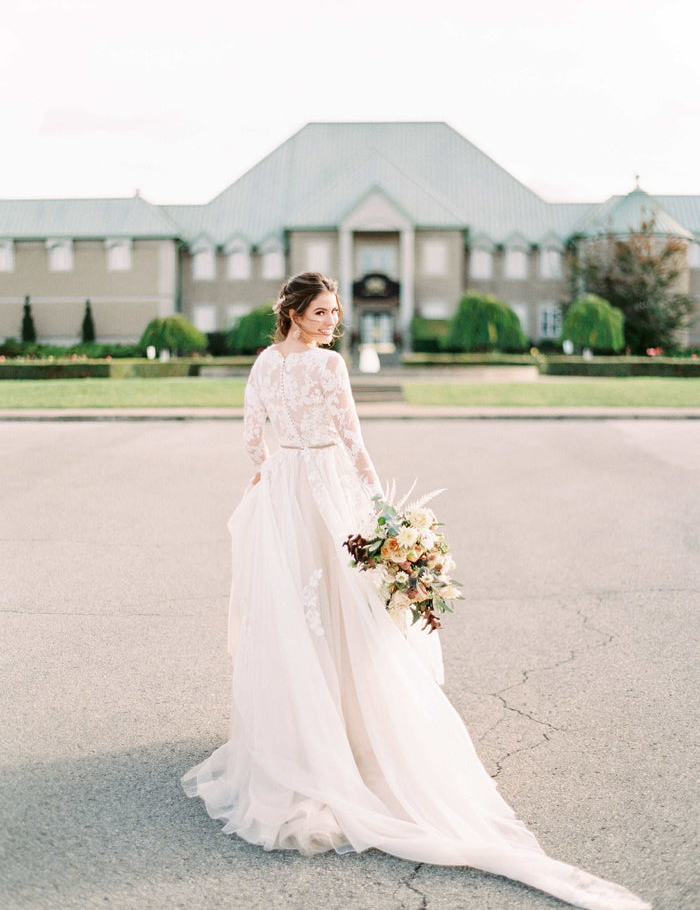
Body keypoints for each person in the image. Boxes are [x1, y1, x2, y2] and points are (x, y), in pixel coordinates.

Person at [181, 272, 651, 910]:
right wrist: (379, 507)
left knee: (297, 612)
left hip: (283, 497)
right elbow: (353, 440)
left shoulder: (265, 363)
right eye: (320, 312)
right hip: (322, 486)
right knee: (338, 615)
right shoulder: (329, 367)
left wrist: (273, 476)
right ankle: (343, 736)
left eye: (335, 312)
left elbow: (249, 439)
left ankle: (304, 734)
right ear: (292, 313)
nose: (332, 321)